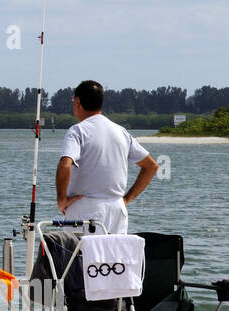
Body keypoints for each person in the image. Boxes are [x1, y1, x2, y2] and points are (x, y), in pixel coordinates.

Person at [55, 80, 158, 234]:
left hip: (85, 210)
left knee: (79, 257)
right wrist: (126, 199)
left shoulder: (78, 131)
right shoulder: (121, 131)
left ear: (77, 102)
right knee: (114, 258)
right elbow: (151, 166)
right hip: (117, 210)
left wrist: (61, 200)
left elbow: (65, 164)